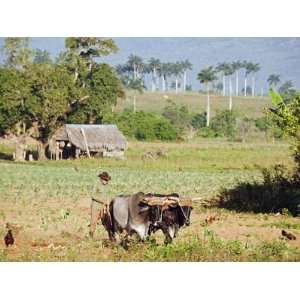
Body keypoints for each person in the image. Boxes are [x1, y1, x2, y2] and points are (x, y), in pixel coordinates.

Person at [89, 171, 112, 238]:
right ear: (101, 179)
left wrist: (107, 202)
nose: (106, 181)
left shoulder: (107, 186)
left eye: (107, 180)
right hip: (96, 206)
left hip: (104, 207)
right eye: (105, 180)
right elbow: (93, 195)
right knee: (93, 222)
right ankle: (91, 236)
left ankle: (110, 237)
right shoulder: (97, 184)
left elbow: (107, 195)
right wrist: (102, 201)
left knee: (107, 222)